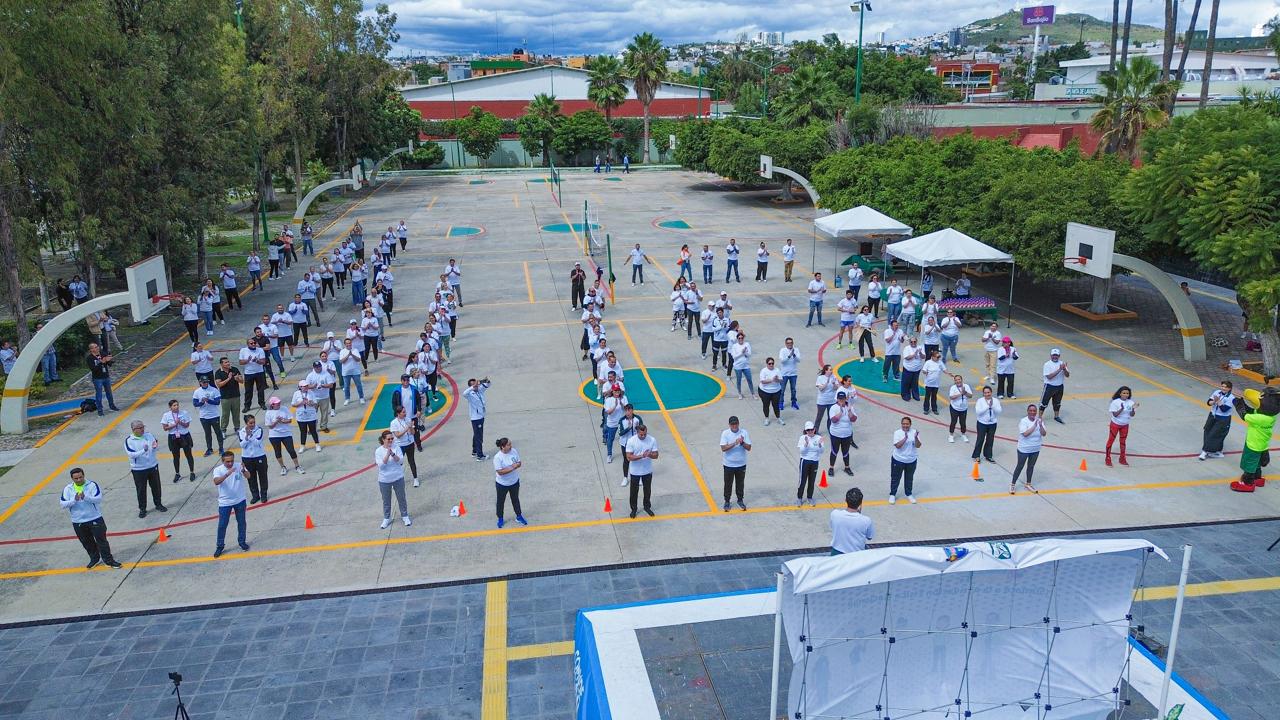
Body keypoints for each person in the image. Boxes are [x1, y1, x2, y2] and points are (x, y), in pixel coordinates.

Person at [61, 468, 123, 569]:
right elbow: (63, 504)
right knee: (86, 542)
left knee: (102, 541)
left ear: (84, 475)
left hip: (94, 518)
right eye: (76, 478)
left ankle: (108, 560)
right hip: (78, 521)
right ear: (72, 479)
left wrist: (85, 497)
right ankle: (95, 559)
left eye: (80, 477)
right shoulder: (68, 489)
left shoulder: (92, 485)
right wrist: (74, 500)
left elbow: (98, 499)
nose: (79, 480)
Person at [209, 452, 250, 558]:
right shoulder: (218, 470)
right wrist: (227, 474)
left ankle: (242, 542)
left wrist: (243, 470)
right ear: (222, 461)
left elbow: (248, 476)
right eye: (227, 462)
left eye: (232, 461)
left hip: (240, 500)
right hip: (225, 503)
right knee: (222, 525)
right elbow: (216, 482)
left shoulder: (239, 465)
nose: (230, 463)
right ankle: (220, 546)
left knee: (242, 522)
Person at [124, 420, 165, 518]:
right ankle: (142, 509)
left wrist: (154, 447)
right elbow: (131, 454)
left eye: (143, 427)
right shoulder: (129, 440)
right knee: (141, 490)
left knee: (156, 487)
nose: (142, 429)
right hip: (139, 469)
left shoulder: (149, 435)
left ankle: (158, 504)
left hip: (152, 466)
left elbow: (155, 445)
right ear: (134, 429)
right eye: (140, 428)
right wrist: (144, 450)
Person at [374, 430, 411, 529]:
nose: (391, 440)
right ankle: (387, 518)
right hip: (384, 480)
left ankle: (405, 515)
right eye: (388, 439)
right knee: (386, 500)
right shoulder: (378, 451)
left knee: (401, 498)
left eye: (392, 438)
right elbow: (381, 466)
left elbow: (401, 462)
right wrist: (387, 454)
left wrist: (393, 454)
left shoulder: (397, 447)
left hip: (398, 477)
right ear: (383, 440)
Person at [625, 424, 659, 518]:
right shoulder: (631, 441)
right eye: (641, 434)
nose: (643, 436)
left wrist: (649, 454)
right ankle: (634, 509)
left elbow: (656, 455)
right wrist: (641, 456)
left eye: (645, 434)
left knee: (647, 490)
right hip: (635, 471)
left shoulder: (652, 440)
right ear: (637, 432)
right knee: (633, 492)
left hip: (647, 470)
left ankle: (647, 507)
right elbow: (629, 457)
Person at [493, 437, 527, 528]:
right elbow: (500, 472)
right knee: (500, 501)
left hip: (514, 482)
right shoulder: (498, 457)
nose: (511, 446)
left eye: (510, 444)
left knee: (515, 499)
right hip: (502, 484)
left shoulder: (514, 451)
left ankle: (519, 516)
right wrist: (512, 467)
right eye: (508, 445)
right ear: (503, 447)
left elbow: (519, 463)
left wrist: (516, 465)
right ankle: (500, 518)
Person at [1011, 405, 1046, 494]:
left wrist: (1041, 425)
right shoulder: (1023, 421)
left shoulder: (1039, 421)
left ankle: (1028, 483)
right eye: (1030, 410)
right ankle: (1012, 484)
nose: (1032, 412)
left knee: (1031, 466)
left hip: (1035, 448)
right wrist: (1035, 425)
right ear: (1027, 411)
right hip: (1024, 449)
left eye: (1034, 411)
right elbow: (1025, 434)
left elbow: (1043, 434)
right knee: (1020, 466)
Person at [265, 396, 303, 476]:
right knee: (277, 451)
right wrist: (276, 421)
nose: (279, 403)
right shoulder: (268, 413)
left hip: (286, 433)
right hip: (274, 435)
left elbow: (290, 420)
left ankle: (297, 466)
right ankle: (283, 467)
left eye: (279, 402)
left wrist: (283, 421)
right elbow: (270, 426)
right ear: (272, 405)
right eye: (277, 403)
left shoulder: (284, 409)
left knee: (291, 450)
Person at [719, 416, 751, 511]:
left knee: (740, 484)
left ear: (738, 423)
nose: (734, 426)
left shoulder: (744, 432)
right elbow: (723, 448)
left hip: (741, 464)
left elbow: (749, 448)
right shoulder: (725, 433)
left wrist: (742, 443)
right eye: (732, 424)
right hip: (728, 465)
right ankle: (727, 501)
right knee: (728, 484)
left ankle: (740, 500)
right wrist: (735, 443)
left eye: (736, 424)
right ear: (729, 425)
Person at [829, 487, 874, 555]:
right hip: (856, 555)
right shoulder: (866, 520)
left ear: (845, 500)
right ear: (860, 504)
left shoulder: (834, 514)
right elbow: (869, 537)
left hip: (836, 553)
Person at [160, 400, 196, 483]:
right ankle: (177, 473)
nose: (176, 407)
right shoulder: (166, 415)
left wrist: (180, 422)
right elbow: (165, 428)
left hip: (184, 435)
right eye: (174, 405)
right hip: (173, 437)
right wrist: (174, 425)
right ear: (170, 407)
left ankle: (192, 472)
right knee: (176, 456)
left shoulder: (184, 413)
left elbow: (187, 425)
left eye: (177, 405)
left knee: (188, 454)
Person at [238, 414, 270, 504]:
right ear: (246, 423)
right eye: (250, 423)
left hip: (259, 456)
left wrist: (250, 436)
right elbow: (242, 445)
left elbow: (257, 442)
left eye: (254, 422)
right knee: (251, 478)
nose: (253, 424)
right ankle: (255, 495)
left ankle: (264, 495)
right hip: (247, 458)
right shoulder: (241, 432)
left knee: (263, 476)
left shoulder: (259, 430)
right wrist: (247, 437)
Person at [889, 416, 921, 505]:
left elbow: (918, 445)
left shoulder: (914, 432)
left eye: (907, 424)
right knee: (895, 478)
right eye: (903, 424)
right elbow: (898, 446)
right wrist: (905, 438)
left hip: (911, 460)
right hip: (898, 460)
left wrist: (916, 437)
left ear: (910, 424)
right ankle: (892, 494)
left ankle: (909, 494)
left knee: (909, 478)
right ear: (901, 424)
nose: (905, 425)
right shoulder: (897, 433)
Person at [1200, 381, 1235, 460]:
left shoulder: (1231, 398)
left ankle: (1204, 452)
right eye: (1222, 386)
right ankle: (1216, 451)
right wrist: (1214, 401)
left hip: (1223, 418)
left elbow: (1224, 409)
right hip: (1212, 415)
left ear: (1229, 388)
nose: (1223, 388)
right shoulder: (1217, 392)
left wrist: (1218, 401)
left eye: (1226, 387)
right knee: (1207, 430)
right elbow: (1208, 402)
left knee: (1214, 434)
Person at [1105, 386, 1138, 466]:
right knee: (1111, 441)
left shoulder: (1131, 402)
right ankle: (1108, 458)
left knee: (1123, 442)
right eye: (1124, 393)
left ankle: (1122, 458)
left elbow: (1132, 415)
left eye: (1127, 393)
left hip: (1125, 425)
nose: (1126, 395)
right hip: (1115, 424)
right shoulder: (1115, 402)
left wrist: (1133, 409)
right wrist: (1121, 408)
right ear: (1120, 394)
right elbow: (1115, 415)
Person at [192, 377, 225, 457]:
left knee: (218, 432)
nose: (205, 383)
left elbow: (217, 402)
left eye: (207, 382)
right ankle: (209, 449)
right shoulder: (197, 391)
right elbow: (195, 403)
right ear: (200, 382)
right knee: (207, 433)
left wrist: (208, 400)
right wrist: (202, 402)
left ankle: (221, 448)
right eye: (204, 382)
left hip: (214, 415)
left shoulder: (214, 390)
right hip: (204, 416)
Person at [796, 421, 825, 507]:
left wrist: (820, 445)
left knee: (812, 481)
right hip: (805, 461)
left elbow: (821, 451)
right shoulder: (803, 438)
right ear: (805, 431)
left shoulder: (818, 438)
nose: (810, 431)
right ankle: (799, 498)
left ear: (814, 429)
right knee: (802, 480)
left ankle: (809, 497)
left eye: (811, 429)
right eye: (808, 430)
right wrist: (806, 444)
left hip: (815, 461)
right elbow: (802, 452)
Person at [390, 404, 420, 487]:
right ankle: (396, 480)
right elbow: (398, 435)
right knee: (398, 462)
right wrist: (407, 428)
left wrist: (411, 427)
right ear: (398, 413)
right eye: (403, 412)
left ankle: (415, 479)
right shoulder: (394, 423)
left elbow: (413, 433)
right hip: (400, 446)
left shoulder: (408, 419)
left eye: (405, 411)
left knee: (411, 461)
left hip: (410, 443)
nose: (405, 413)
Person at [828, 392, 857, 477]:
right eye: (840, 399)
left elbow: (854, 419)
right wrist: (840, 412)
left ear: (845, 399)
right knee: (834, 451)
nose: (841, 400)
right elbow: (833, 420)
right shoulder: (833, 408)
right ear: (837, 399)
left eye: (843, 399)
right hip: (835, 434)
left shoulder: (850, 407)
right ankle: (831, 468)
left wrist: (849, 411)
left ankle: (847, 467)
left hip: (847, 434)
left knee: (846, 452)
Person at [86, 342, 119, 416]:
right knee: (99, 394)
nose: (97, 348)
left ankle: (112, 406)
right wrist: (101, 362)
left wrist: (109, 360)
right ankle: (100, 410)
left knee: (109, 392)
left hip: (106, 376)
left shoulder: (102, 353)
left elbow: (109, 364)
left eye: (97, 346)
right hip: (97, 378)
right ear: (91, 349)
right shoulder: (90, 358)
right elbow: (93, 369)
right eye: (95, 347)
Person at [1039, 349, 1070, 424]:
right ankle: (1039, 418)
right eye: (1053, 355)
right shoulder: (1047, 364)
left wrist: (1064, 369)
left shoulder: (1062, 364)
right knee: (1044, 402)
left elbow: (1067, 375)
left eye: (1056, 355)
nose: (1055, 357)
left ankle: (1056, 416)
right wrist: (1059, 369)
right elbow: (1049, 377)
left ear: (1059, 356)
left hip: (1059, 386)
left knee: (1057, 403)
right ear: (1051, 355)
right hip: (1049, 386)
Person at [239, 338, 269, 412]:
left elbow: (263, 362)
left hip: (259, 372)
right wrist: (247, 360)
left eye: (254, 343)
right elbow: (240, 362)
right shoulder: (243, 350)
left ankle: (262, 403)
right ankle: (247, 406)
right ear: (247, 344)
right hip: (248, 373)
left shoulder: (260, 350)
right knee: (248, 391)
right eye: (251, 343)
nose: (253, 344)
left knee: (261, 390)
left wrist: (257, 361)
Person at [972, 387, 1002, 464]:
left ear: (991, 392)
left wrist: (993, 406)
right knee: (980, 439)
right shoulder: (980, 401)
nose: (987, 394)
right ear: (983, 393)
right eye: (985, 393)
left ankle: (988, 455)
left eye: (988, 392)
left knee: (990, 440)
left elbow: (999, 411)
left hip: (992, 423)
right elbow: (978, 412)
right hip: (982, 423)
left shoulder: (995, 401)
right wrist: (987, 406)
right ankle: (976, 455)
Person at [464, 377, 490, 461]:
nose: (476, 386)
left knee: (476, 435)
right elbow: (464, 393)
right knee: (479, 437)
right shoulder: (469, 394)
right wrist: (473, 386)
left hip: (481, 416)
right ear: (470, 387)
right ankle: (480, 456)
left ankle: (474, 451)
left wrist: (485, 381)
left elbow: (487, 385)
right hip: (476, 418)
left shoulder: (479, 390)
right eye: (473, 385)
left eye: (476, 384)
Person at [291, 380, 321, 454]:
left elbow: (315, 403)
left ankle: (317, 444)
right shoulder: (296, 393)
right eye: (304, 386)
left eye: (307, 386)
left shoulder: (311, 393)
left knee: (313, 431)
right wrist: (301, 403)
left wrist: (310, 403)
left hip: (311, 415)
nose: (306, 387)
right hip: (301, 416)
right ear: (300, 387)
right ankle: (302, 446)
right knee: (303, 431)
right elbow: (293, 404)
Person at [307, 360, 335, 434]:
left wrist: (323, 386)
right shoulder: (310, 375)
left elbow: (331, 385)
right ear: (314, 368)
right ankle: (312, 428)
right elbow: (306, 386)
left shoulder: (326, 374)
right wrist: (313, 386)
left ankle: (324, 426)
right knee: (312, 414)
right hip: (313, 398)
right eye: (316, 367)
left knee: (324, 413)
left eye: (319, 367)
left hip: (324, 397)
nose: (318, 368)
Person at [947, 375, 973, 443]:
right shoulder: (953, 387)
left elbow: (970, 396)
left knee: (963, 422)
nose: (958, 381)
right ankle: (951, 435)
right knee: (953, 422)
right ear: (954, 381)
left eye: (959, 379)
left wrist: (965, 393)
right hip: (954, 408)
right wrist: (960, 394)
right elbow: (951, 397)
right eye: (956, 380)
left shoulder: (966, 386)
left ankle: (963, 434)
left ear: (962, 380)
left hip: (963, 408)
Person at [921, 350, 946, 416]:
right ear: (932, 357)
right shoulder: (928, 362)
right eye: (937, 357)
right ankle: (926, 409)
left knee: (934, 397)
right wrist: (925, 372)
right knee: (927, 397)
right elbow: (924, 370)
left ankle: (934, 409)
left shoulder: (940, 362)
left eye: (939, 357)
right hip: (928, 383)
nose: (938, 358)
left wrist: (949, 373)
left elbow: (944, 369)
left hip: (936, 384)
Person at [778, 338, 801, 411]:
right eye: (788, 343)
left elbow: (798, 360)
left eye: (791, 343)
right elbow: (782, 361)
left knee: (793, 390)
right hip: (784, 374)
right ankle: (781, 403)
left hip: (793, 373)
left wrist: (794, 355)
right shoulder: (782, 350)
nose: (789, 344)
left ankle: (794, 402)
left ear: (793, 343)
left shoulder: (796, 350)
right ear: (785, 344)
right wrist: (789, 356)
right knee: (782, 390)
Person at [900, 336, 925, 402]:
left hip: (917, 369)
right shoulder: (907, 348)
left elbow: (923, 357)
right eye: (911, 342)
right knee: (906, 383)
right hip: (908, 369)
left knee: (915, 383)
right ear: (909, 342)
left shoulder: (920, 348)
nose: (913, 343)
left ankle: (915, 395)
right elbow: (907, 358)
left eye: (914, 341)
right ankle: (905, 395)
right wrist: (915, 353)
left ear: (916, 342)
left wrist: (920, 353)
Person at [814, 364, 838, 430]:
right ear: (826, 371)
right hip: (822, 401)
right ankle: (815, 430)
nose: (831, 371)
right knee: (819, 417)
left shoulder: (834, 377)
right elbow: (821, 389)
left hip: (832, 401)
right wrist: (826, 383)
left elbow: (836, 388)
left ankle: (830, 429)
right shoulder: (820, 378)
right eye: (830, 370)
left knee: (830, 417)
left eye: (832, 370)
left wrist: (834, 383)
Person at [729, 332, 753, 398]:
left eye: (742, 338)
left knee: (749, 379)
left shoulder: (747, 344)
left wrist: (745, 352)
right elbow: (734, 357)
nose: (740, 339)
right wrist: (741, 353)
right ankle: (739, 393)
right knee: (739, 380)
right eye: (739, 338)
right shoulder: (734, 346)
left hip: (746, 365)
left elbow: (749, 354)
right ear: (737, 339)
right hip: (738, 366)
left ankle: (753, 393)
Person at [709, 307, 730, 371]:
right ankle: (714, 365)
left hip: (724, 340)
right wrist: (720, 327)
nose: (719, 314)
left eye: (720, 312)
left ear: (723, 312)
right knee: (715, 353)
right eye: (718, 313)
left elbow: (729, 329)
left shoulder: (727, 319)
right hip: (716, 340)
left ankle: (724, 364)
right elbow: (713, 329)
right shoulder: (715, 320)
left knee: (724, 353)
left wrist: (725, 327)